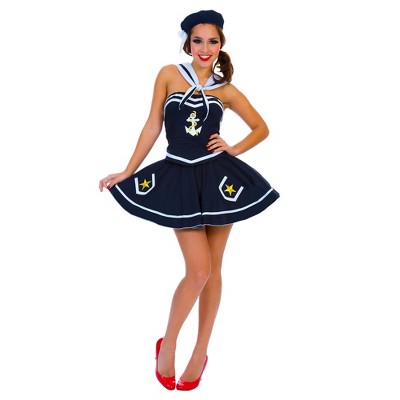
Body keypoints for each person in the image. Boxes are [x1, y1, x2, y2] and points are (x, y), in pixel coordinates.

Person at [99, 9, 279, 391]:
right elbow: (153, 125)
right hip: (179, 177)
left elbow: (261, 127)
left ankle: (200, 352)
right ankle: (168, 345)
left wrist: (233, 149)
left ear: (221, 45)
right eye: (198, 40)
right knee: (198, 271)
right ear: (187, 43)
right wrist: (128, 170)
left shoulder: (225, 90)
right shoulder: (169, 74)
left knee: (214, 270)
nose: (205, 48)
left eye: (212, 41)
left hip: (219, 181)